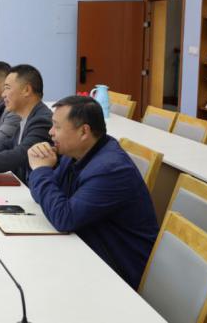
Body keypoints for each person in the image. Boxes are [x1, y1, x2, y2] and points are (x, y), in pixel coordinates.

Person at [27, 95, 159, 288]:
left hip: (118, 273)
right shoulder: (76, 152)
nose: (50, 132)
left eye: (57, 127)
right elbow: (46, 194)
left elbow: (64, 218)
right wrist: (41, 169)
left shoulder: (111, 169)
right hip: (88, 249)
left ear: (84, 131)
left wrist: (40, 170)